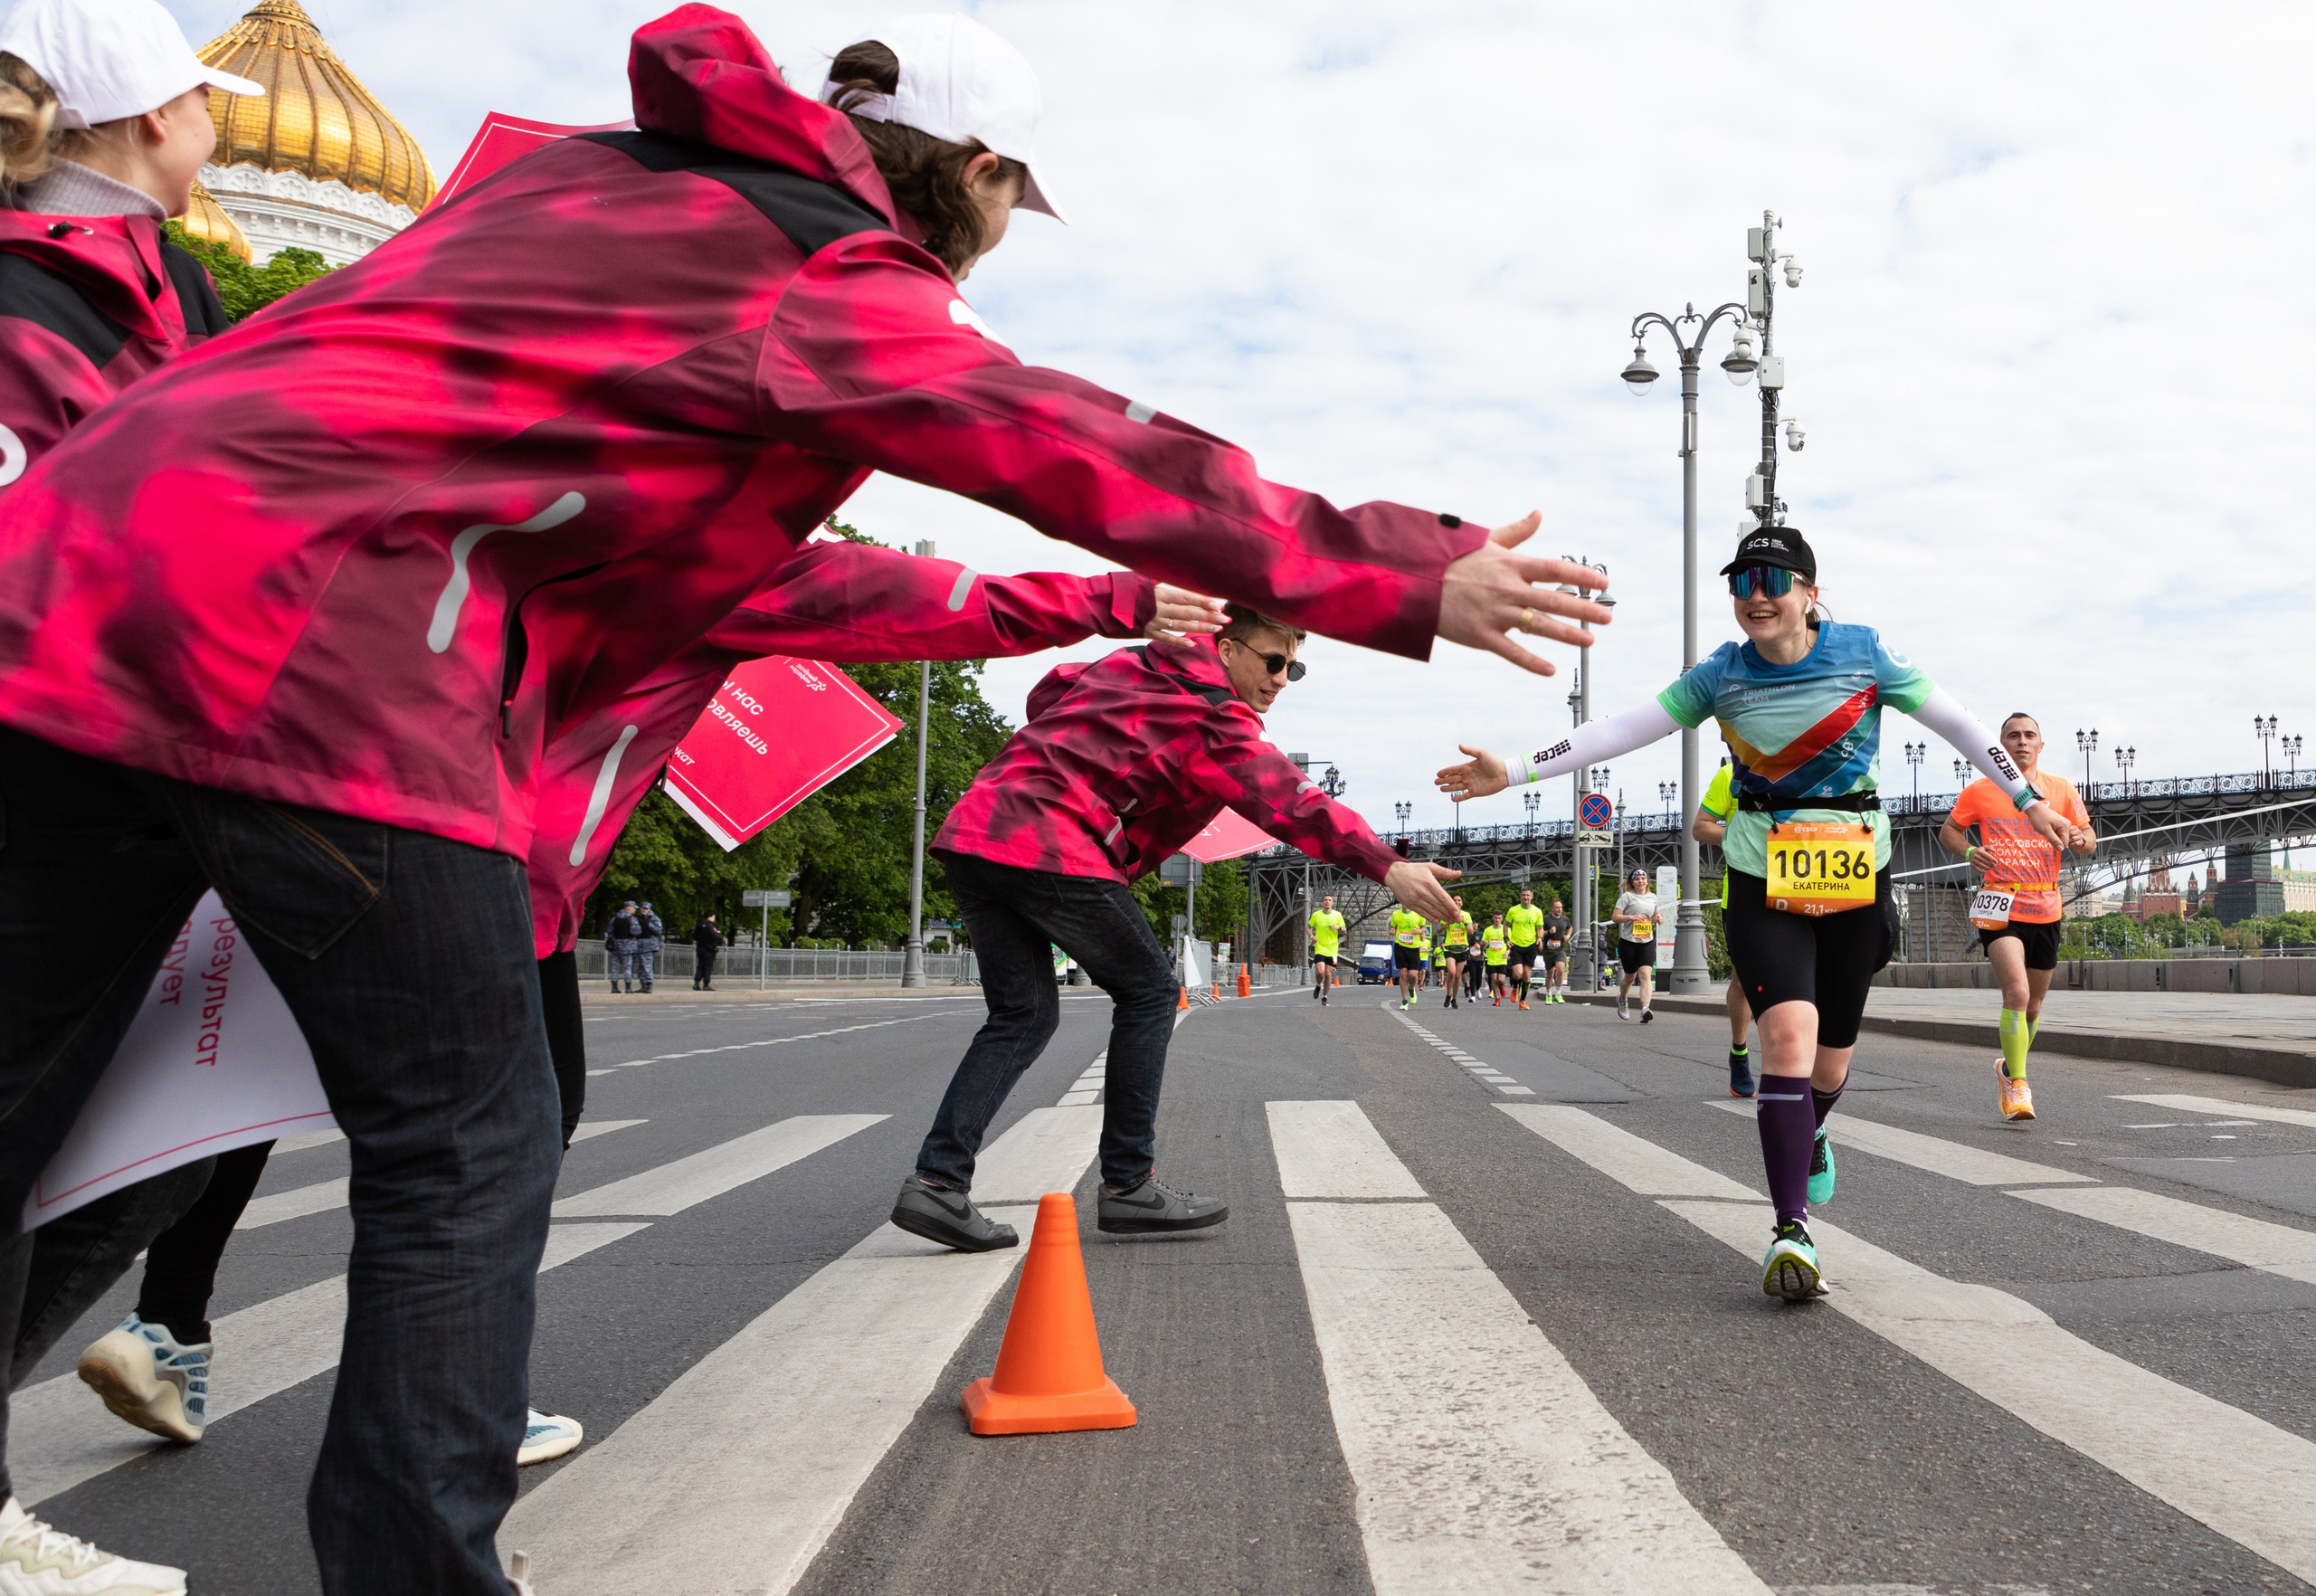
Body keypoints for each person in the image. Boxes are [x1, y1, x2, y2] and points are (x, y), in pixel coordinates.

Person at [0, 5, 1608, 1582]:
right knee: (472, 1140)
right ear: (977, 172)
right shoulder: (820, 267)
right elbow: (1045, 432)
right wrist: (1387, 565)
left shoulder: (591, 180)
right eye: (1010, 206)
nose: (998, 246)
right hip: (316, 648)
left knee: (39, 1105)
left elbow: (793, 594)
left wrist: (1095, 607)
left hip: (64, 596)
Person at [1440, 526, 2069, 1302]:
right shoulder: (1721, 676)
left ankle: (1813, 1127)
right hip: (1760, 873)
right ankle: (1790, 1231)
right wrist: (1517, 769)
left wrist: (2028, 800)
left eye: (1773, 579)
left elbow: (1963, 727)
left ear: (1810, 591)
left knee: (1831, 1064)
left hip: (1855, 877)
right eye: (1741, 583)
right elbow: (1622, 729)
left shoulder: (1865, 653)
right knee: (1787, 1035)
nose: (1756, 595)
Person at [0, 1, 256, 1587]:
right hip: (59, 761)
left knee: (162, 1130)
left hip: (148, 768)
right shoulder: (35, 298)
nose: (211, 124)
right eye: (196, 103)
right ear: (155, 124)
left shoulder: (161, 289)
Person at [897, 607, 1463, 1252]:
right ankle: (1128, 1185)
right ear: (1225, 648)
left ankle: (938, 1184)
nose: (1281, 679)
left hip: (979, 829)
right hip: (1052, 841)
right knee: (1150, 994)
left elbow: (1048, 690)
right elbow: (1293, 802)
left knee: (1022, 1014)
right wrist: (1387, 865)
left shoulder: (1132, 664)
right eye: (1271, 661)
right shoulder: (1214, 714)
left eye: (1294, 668)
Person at [1938, 711, 2094, 1121]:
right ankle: (2019, 1086)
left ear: (2040, 745)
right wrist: (1971, 851)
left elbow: (2090, 841)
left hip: (2046, 906)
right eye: (2012, 736)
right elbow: (1948, 832)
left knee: (2035, 1007)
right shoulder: (1980, 791)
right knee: (2018, 994)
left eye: (2029, 736)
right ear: (2000, 747)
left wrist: (2080, 838)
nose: (2021, 741)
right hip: (2000, 905)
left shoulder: (2061, 790)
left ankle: (2008, 1067)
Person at [1694, 756, 1756, 1096]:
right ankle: (1740, 1052)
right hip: (1743, 896)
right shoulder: (1731, 773)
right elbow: (1700, 826)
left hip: (1796, 890)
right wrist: (1741, 835)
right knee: (1743, 983)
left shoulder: (1804, 766)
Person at [1613, 868, 1659, 1021]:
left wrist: (1658, 918)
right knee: (1629, 977)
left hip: (1647, 941)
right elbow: (1615, 917)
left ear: (1647, 881)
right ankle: (1623, 1000)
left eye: (1643, 878)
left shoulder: (1653, 897)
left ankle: (1645, 1008)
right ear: (1632, 882)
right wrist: (1632, 917)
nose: (1640, 881)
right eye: (1637, 879)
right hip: (1628, 942)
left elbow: (1654, 914)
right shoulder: (1627, 897)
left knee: (1645, 974)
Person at [1504, 887, 1543, 1008]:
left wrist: (1540, 938)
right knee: (1517, 974)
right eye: (1523, 895)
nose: (1525, 897)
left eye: (1528, 895)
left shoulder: (1537, 911)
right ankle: (1515, 987)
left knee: (1527, 975)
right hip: (1516, 945)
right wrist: (1506, 939)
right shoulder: (1513, 910)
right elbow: (1506, 925)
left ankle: (1522, 1001)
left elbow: (1540, 927)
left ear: (1531, 897)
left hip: (1531, 946)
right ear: (1520, 896)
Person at [1308, 892, 1345, 1005]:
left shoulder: (1337, 915)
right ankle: (1318, 985)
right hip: (1320, 947)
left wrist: (1338, 927)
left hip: (1333, 949)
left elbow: (1345, 931)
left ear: (1332, 903)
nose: (1327, 902)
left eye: (1329, 900)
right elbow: (1308, 927)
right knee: (1320, 971)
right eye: (1325, 900)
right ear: (1322, 903)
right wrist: (1312, 936)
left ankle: (1325, 996)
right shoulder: (1316, 915)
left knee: (1328, 974)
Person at [1389, 898, 1426, 1008]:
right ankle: (1404, 1000)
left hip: (1413, 948)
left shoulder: (1418, 914)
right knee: (1403, 973)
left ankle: (1411, 988)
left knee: (1413, 975)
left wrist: (1419, 931)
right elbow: (1393, 927)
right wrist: (1392, 930)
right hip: (1400, 946)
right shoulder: (1396, 914)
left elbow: (1424, 928)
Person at [1438, 894, 1472, 1008]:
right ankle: (1448, 994)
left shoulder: (1466, 915)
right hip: (1450, 948)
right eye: (1454, 900)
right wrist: (1444, 926)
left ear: (1462, 903)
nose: (1457, 902)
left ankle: (1454, 998)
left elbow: (1471, 932)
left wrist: (1464, 922)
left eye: (1459, 900)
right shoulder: (1446, 915)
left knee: (1458, 976)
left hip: (1462, 948)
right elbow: (1438, 930)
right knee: (1452, 972)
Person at [606, 900, 645, 993]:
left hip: (616, 946)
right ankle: (628, 987)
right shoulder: (631, 919)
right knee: (627, 967)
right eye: (634, 908)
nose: (635, 910)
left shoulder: (615, 918)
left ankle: (614, 987)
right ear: (629, 908)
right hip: (628, 947)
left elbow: (609, 931)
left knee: (615, 968)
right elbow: (635, 932)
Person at [1537, 897, 1571, 1004]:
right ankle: (1548, 994)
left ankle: (1558, 993)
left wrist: (1568, 936)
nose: (1559, 909)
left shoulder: (1565, 919)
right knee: (1550, 973)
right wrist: (1549, 932)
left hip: (1560, 950)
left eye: (1561, 907)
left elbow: (1570, 927)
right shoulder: (1546, 919)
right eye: (1557, 907)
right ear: (1552, 908)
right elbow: (1540, 932)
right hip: (1548, 951)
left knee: (1561, 970)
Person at [1481, 911, 1511, 1003]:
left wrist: (1508, 953)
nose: (1497, 920)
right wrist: (1484, 944)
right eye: (1496, 918)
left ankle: (1502, 986)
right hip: (1491, 959)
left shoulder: (1507, 930)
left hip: (1502, 959)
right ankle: (1497, 999)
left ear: (1502, 919)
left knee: (1501, 980)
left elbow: (1511, 945)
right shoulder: (1488, 930)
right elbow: (1482, 944)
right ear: (1493, 918)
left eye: (1499, 918)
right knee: (1494, 979)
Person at [635, 902, 665, 993]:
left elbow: (658, 930)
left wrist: (649, 924)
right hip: (639, 944)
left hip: (649, 945)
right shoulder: (638, 918)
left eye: (646, 908)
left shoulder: (654, 918)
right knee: (639, 967)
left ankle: (649, 985)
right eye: (643, 908)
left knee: (647, 965)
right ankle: (643, 984)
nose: (644, 910)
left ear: (649, 909)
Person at [691, 913, 724, 990]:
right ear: (709, 917)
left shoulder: (699, 925)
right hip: (709, 949)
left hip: (700, 948)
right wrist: (718, 933)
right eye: (713, 917)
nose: (714, 919)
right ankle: (706, 984)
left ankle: (696, 983)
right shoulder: (710, 926)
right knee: (708, 967)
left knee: (700, 966)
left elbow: (694, 936)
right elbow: (714, 936)